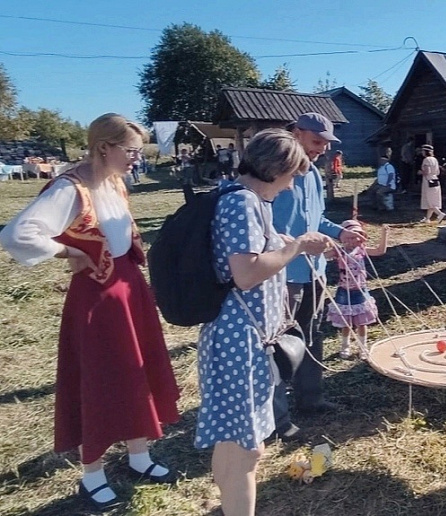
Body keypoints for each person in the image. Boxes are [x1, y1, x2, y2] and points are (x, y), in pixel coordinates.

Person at [0, 113, 180, 511]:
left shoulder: (115, 182)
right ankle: (92, 474)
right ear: (104, 148)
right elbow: (16, 234)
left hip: (129, 290)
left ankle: (138, 457)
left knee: (136, 373)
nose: (137, 158)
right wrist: (69, 250)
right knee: (99, 382)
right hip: (97, 300)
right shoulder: (70, 188)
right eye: (131, 151)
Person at [195, 128, 331, 516]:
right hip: (240, 341)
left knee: (234, 440)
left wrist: (293, 241)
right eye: (290, 178)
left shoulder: (248, 200)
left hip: (243, 338)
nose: (290, 189)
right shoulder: (243, 204)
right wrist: (296, 246)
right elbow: (246, 272)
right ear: (276, 170)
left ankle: (226, 506)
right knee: (248, 448)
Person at [271, 112, 365, 437]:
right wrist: (293, 247)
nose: (321, 149)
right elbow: (267, 229)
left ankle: (311, 399)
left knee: (311, 337)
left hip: (314, 272)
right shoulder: (274, 173)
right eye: (316, 141)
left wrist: (341, 234)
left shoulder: (312, 174)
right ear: (296, 133)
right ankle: (277, 419)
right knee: (280, 345)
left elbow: (317, 219)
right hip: (282, 275)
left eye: (326, 144)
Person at [326, 220, 388, 359]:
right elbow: (324, 256)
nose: (354, 240)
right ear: (343, 238)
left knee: (362, 322)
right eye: (350, 237)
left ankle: (362, 347)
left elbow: (380, 251)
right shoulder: (339, 251)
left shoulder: (362, 249)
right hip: (344, 291)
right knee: (346, 323)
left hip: (360, 290)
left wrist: (384, 234)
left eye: (357, 236)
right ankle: (345, 346)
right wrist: (327, 243)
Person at [418, 144, 446, 223]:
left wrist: (420, 172)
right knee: (431, 199)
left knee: (430, 200)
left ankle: (440, 214)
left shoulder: (426, 160)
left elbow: (427, 171)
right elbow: (438, 172)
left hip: (428, 181)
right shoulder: (435, 159)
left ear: (425, 152)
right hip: (435, 179)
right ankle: (427, 218)